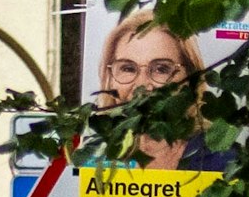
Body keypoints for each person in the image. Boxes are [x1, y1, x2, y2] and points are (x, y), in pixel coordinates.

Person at [94, 9, 233, 172]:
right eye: (128, 68)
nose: (142, 85)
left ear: (191, 79)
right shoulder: (94, 157)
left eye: (161, 69)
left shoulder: (222, 159)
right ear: (109, 79)